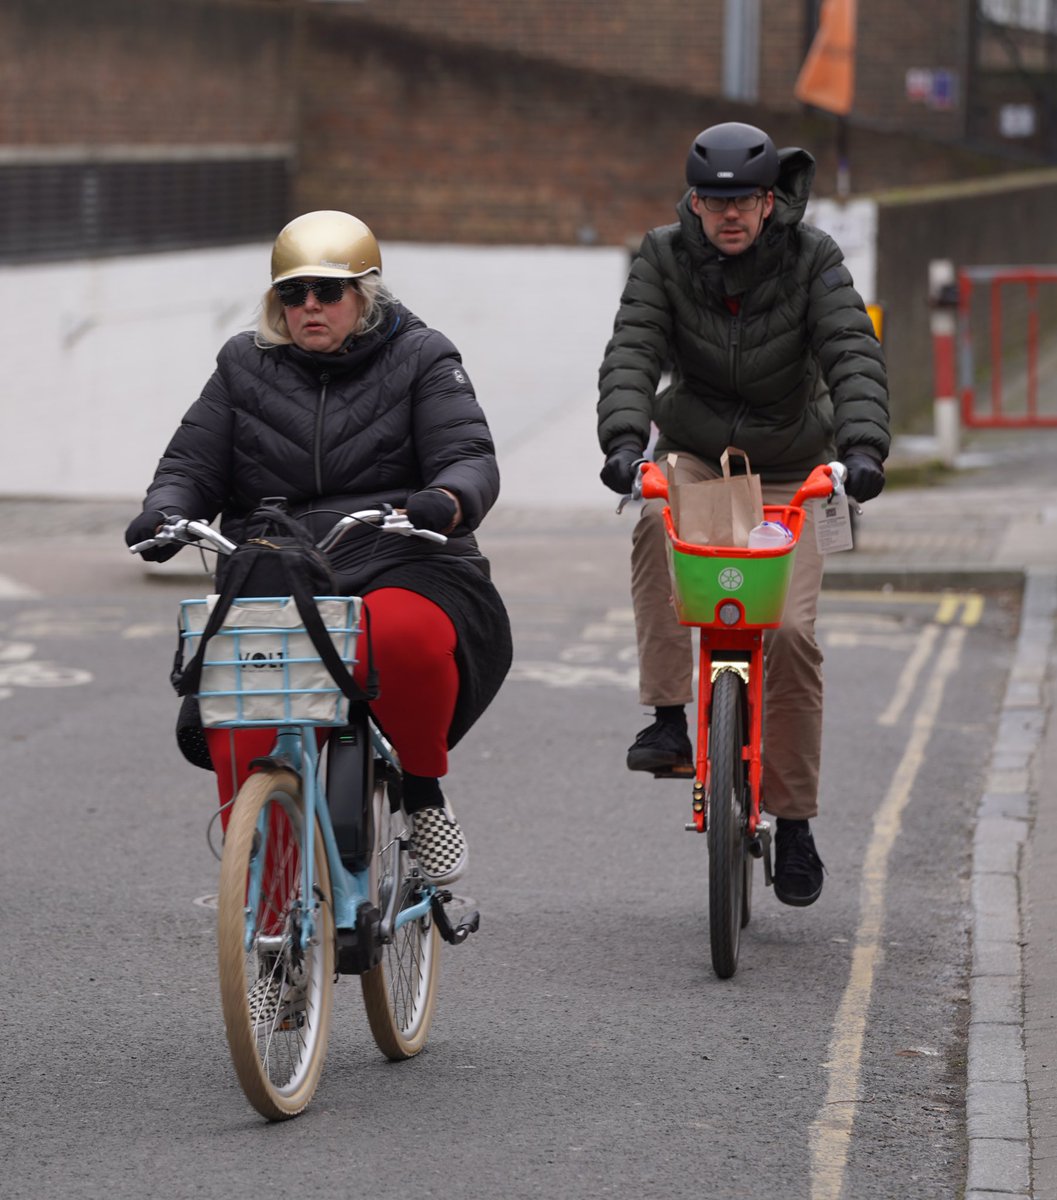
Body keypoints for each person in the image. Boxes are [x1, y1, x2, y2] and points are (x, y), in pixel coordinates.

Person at [126, 209, 512, 887]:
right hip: (277, 565)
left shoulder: (424, 355)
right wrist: (165, 512)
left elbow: (468, 456)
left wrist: (446, 499)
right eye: (292, 292)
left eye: (327, 291)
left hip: (401, 552)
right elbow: (190, 463)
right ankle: (265, 905)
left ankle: (421, 794)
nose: (309, 306)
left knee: (405, 640)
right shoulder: (243, 364)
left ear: (365, 294)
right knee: (237, 700)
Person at [597, 122, 889, 907]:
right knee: (651, 520)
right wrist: (625, 442)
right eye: (712, 200)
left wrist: (862, 450)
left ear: (770, 202)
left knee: (789, 636)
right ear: (694, 201)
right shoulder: (662, 254)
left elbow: (850, 352)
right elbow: (632, 349)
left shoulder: (812, 257)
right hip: (698, 455)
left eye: (743, 201)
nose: (727, 215)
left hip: (792, 468)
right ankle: (666, 718)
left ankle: (792, 823)